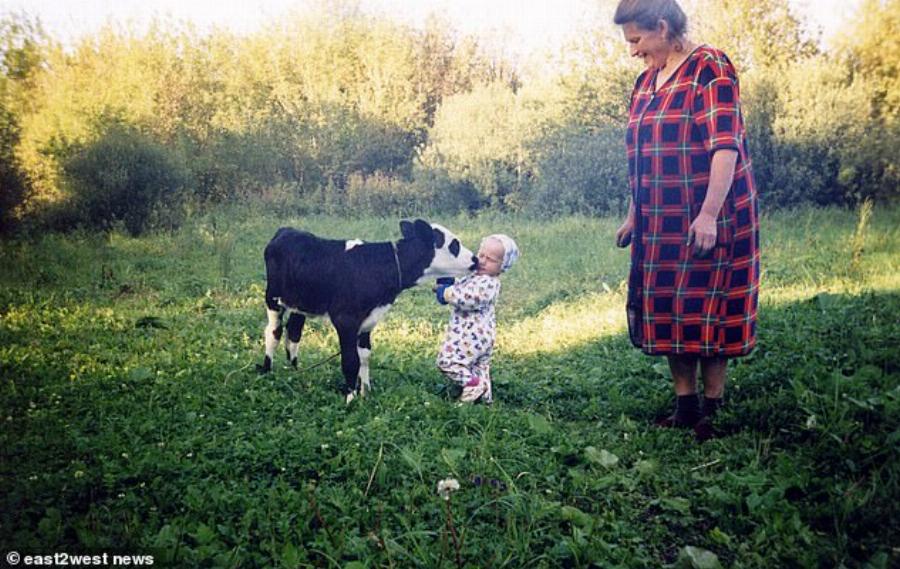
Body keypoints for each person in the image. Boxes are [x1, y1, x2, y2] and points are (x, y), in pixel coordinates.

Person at [613, 0, 760, 440]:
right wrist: (633, 213)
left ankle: (712, 407)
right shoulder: (645, 83)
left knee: (709, 308)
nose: (633, 51)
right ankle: (684, 405)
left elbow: (725, 144)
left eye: (637, 40)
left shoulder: (709, 67)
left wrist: (710, 214)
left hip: (708, 215)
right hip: (661, 219)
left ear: (662, 26)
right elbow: (643, 155)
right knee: (670, 310)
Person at [435, 234, 519, 404]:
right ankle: (484, 401)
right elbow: (464, 286)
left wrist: (447, 293)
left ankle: (473, 385)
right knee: (479, 367)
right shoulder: (477, 276)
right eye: (481, 255)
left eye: (491, 260)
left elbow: (469, 298)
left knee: (447, 362)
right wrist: (449, 281)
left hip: (471, 335)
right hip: (482, 336)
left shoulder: (489, 282)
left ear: (502, 267)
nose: (483, 261)